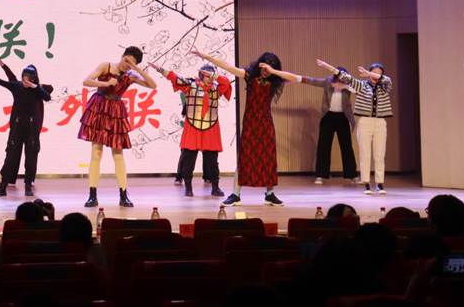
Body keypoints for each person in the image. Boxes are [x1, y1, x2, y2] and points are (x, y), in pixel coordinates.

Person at [194, 50, 302, 207]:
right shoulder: (250, 76)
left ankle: (269, 194)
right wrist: (206, 57)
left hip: (266, 124)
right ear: (259, 65)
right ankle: (236, 194)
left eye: (269, 69)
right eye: (264, 68)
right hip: (250, 124)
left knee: (268, 159)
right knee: (244, 158)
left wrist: (273, 72)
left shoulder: (275, 80)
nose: (266, 72)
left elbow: (296, 78)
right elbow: (228, 67)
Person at [78, 46, 157, 208]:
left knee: (118, 154)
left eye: (131, 63)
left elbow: (152, 85)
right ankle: (92, 195)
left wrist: (136, 68)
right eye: (126, 60)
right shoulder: (106, 66)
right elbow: (86, 81)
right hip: (99, 108)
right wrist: (106, 82)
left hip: (116, 111)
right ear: (122, 56)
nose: (127, 65)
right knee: (96, 153)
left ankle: (123, 195)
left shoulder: (130, 75)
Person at [151, 62, 232, 197]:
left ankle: (215, 187)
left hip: (211, 127)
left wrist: (214, 76)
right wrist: (160, 69)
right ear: (201, 75)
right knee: (189, 159)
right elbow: (175, 78)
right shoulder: (191, 85)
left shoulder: (217, 88)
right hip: (193, 127)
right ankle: (188, 187)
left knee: (212, 161)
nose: (209, 77)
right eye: (206, 75)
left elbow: (226, 83)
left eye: (211, 75)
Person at [316, 59, 393, 195]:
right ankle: (366, 183)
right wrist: (328, 66)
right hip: (365, 122)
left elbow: (386, 79)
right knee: (365, 154)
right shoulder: (362, 85)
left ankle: (380, 184)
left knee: (380, 155)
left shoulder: (385, 86)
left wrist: (370, 73)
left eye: (378, 73)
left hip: (380, 122)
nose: (375, 75)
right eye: (373, 72)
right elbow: (345, 77)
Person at [0, 52, 53, 197]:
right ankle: (3, 186)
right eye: (24, 76)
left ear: (34, 78)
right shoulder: (17, 86)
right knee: (11, 155)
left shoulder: (38, 90)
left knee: (31, 155)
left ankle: (28, 186)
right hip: (17, 126)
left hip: (32, 128)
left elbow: (48, 96)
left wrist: (35, 86)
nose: (25, 79)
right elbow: (2, 80)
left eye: (29, 77)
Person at [301, 66, 358, 185]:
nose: (341, 79)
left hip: (343, 117)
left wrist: (345, 86)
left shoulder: (349, 84)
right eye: (339, 76)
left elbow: (358, 90)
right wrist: (299, 79)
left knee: (347, 147)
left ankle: (352, 175)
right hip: (328, 117)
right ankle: (320, 175)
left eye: (343, 77)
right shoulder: (328, 82)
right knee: (324, 146)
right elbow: (313, 81)